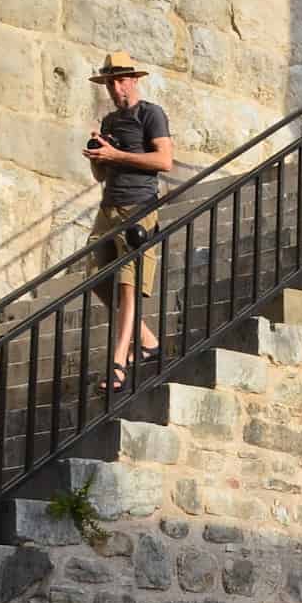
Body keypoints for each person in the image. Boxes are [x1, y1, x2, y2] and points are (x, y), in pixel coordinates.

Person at [85, 52, 174, 390]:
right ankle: (148, 341)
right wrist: (98, 156)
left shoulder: (151, 114)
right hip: (109, 207)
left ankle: (119, 363)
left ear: (134, 80)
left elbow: (164, 160)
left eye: (121, 80)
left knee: (128, 285)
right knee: (95, 277)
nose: (115, 88)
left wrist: (117, 155)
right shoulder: (109, 121)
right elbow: (100, 175)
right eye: (110, 82)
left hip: (139, 207)